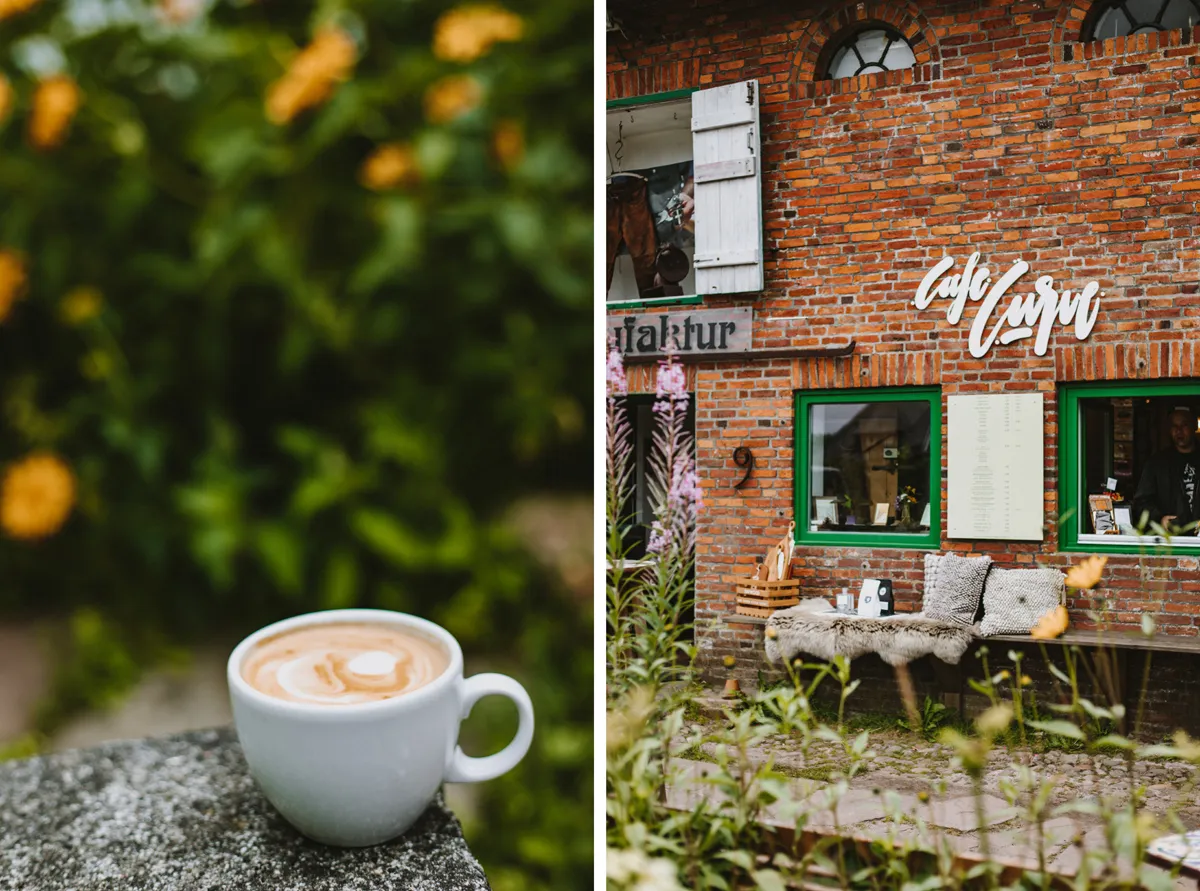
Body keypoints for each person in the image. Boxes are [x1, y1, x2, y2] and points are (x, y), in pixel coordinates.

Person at [1132, 407, 1200, 533]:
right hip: (1170, 537)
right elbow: (1141, 502)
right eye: (1174, 426)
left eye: (1184, 425)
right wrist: (1160, 519)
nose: (1179, 431)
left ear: (1194, 425)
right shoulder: (1157, 463)